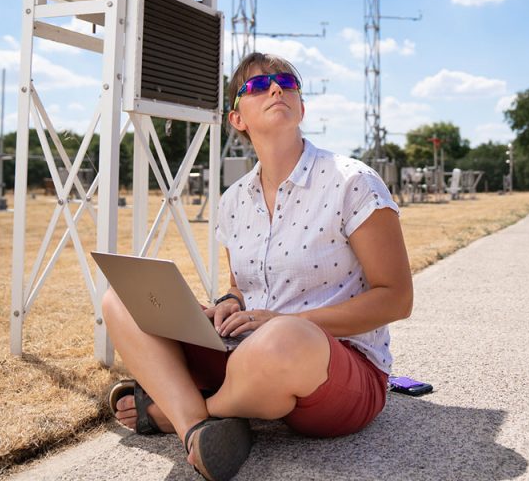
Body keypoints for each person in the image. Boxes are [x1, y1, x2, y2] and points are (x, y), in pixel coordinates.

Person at [101, 52, 414, 480]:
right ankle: (198, 428)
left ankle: (173, 411)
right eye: (257, 85)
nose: (275, 89)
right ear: (237, 119)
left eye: (287, 83)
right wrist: (228, 303)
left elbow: (396, 299)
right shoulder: (233, 202)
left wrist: (283, 322)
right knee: (124, 296)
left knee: (284, 337)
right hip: (246, 354)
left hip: (333, 369)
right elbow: (240, 285)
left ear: (301, 107)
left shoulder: (352, 181)